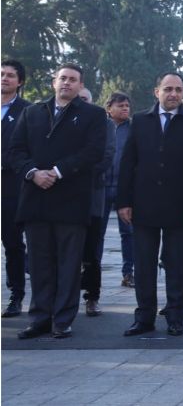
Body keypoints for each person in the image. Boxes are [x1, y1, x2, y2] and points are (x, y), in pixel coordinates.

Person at [10, 64, 107, 339]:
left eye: (73, 80)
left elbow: (94, 151)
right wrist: (33, 173)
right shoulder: (32, 113)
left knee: (68, 265)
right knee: (39, 265)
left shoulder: (94, 114)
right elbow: (15, 150)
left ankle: (62, 320)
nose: (66, 83)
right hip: (35, 199)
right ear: (54, 82)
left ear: (79, 85)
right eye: (62, 78)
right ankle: (39, 318)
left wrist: (57, 171)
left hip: (71, 201)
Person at [118, 72, 183, 337]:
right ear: (156, 91)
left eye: (179, 90)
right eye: (168, 89)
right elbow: (128, 163)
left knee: (178, 264)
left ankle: (175, 316)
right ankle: (144, 317)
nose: (174, 94)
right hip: (144, 205)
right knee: (144, 264)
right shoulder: (140, 121)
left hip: (181, 208)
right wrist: (124, 201)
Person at [78, 87, 115, 317]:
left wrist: (78, 174)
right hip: (65, 195)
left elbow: (107, 154)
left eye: (85, 99)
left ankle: (92, 296)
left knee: (92, 249)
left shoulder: (104, 123)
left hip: (92, 192)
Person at [1, 59, 29, 318]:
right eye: (1, 74)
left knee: (12, 243)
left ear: (19, 82)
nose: (4, 79)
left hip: (11, 185)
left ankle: (16, 294)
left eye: (10, 75)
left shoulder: (27, 111)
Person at [104, 92, 135, 289]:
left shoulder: (134, 128)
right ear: (109, 109)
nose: (125, 109)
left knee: (128, 233)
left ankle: (128, 272)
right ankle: (89, 273)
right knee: (97, 233)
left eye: (127, 106)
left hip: (125, 188)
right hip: (102, 186)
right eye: (121, 105)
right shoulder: (100, 127)